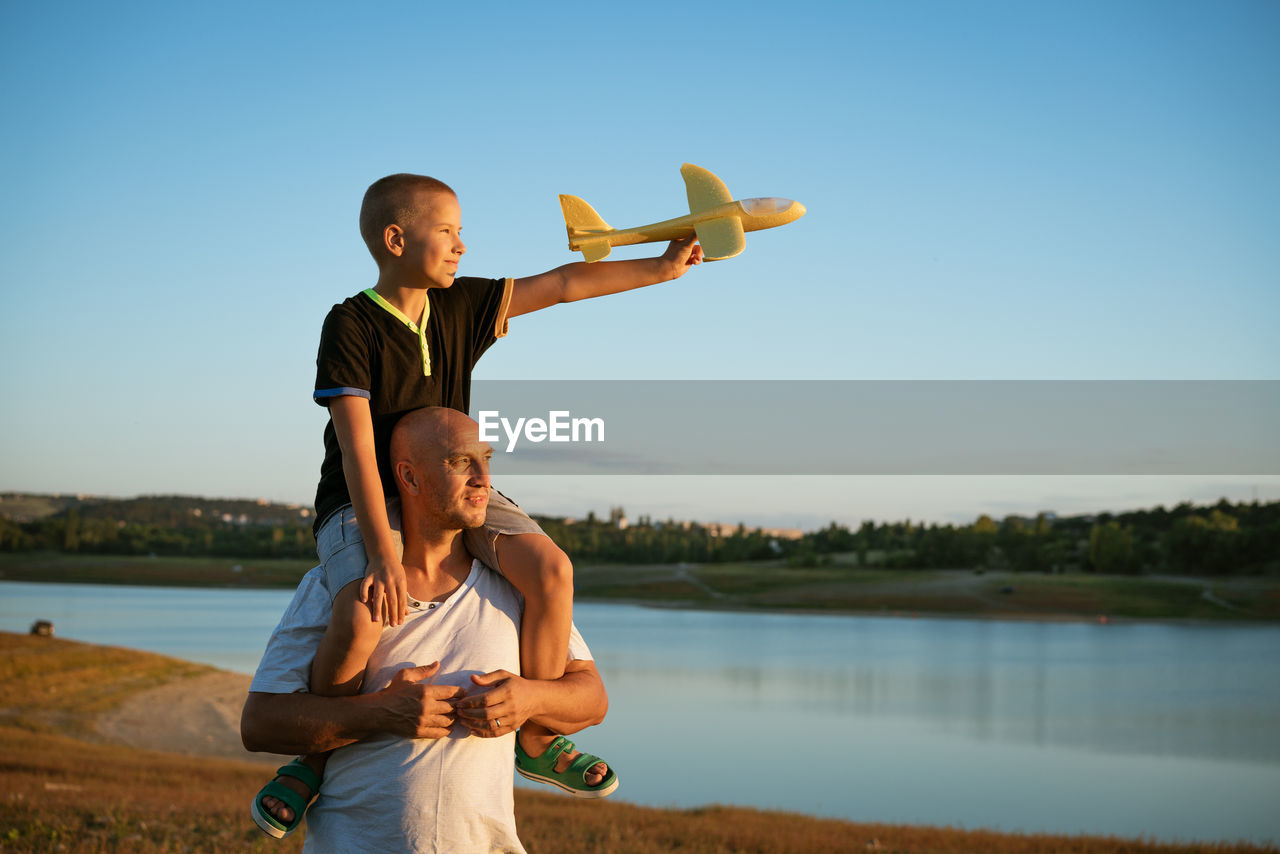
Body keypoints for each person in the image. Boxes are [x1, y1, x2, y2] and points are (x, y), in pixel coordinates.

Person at [253, 172, 702, 833]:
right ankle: (313, 760)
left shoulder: (460, 305)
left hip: (452, 485)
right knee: (360, 611)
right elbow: (354, 449)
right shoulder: (349, 323)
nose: (463, 245)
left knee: (551, 571)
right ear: (396, 238)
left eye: (463, 233)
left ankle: (538, 737)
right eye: (448, 232)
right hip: (363, 498)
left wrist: (661, 270)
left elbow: (563, 284)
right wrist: (383, 552)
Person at [243, 407, 614, 851]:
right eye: (460, 462)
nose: (483, 479)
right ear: (411, 478)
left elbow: (591, 700)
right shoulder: (337, 587)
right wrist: (382, 713)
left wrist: (530, 698)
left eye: (487, 460)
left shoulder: (516, 586)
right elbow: (260, 724)